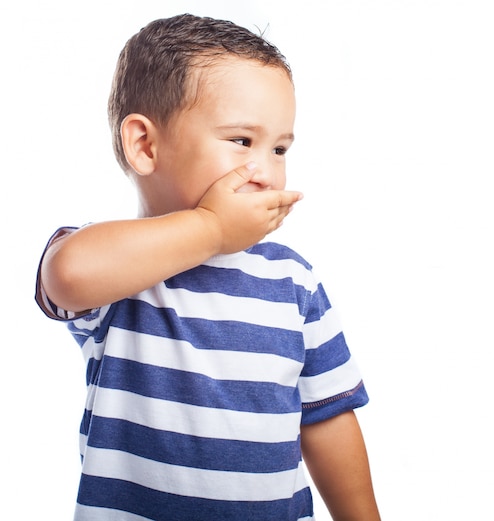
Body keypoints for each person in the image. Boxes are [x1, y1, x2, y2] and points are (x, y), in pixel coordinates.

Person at [34, 13, 380, 521]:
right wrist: (212, 228)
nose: (265, 170)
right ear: (145, 145)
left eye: (280, 148)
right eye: (241, 141)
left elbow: (326, 418)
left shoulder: (294, 282)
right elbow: (66, 275)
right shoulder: (121, 273)